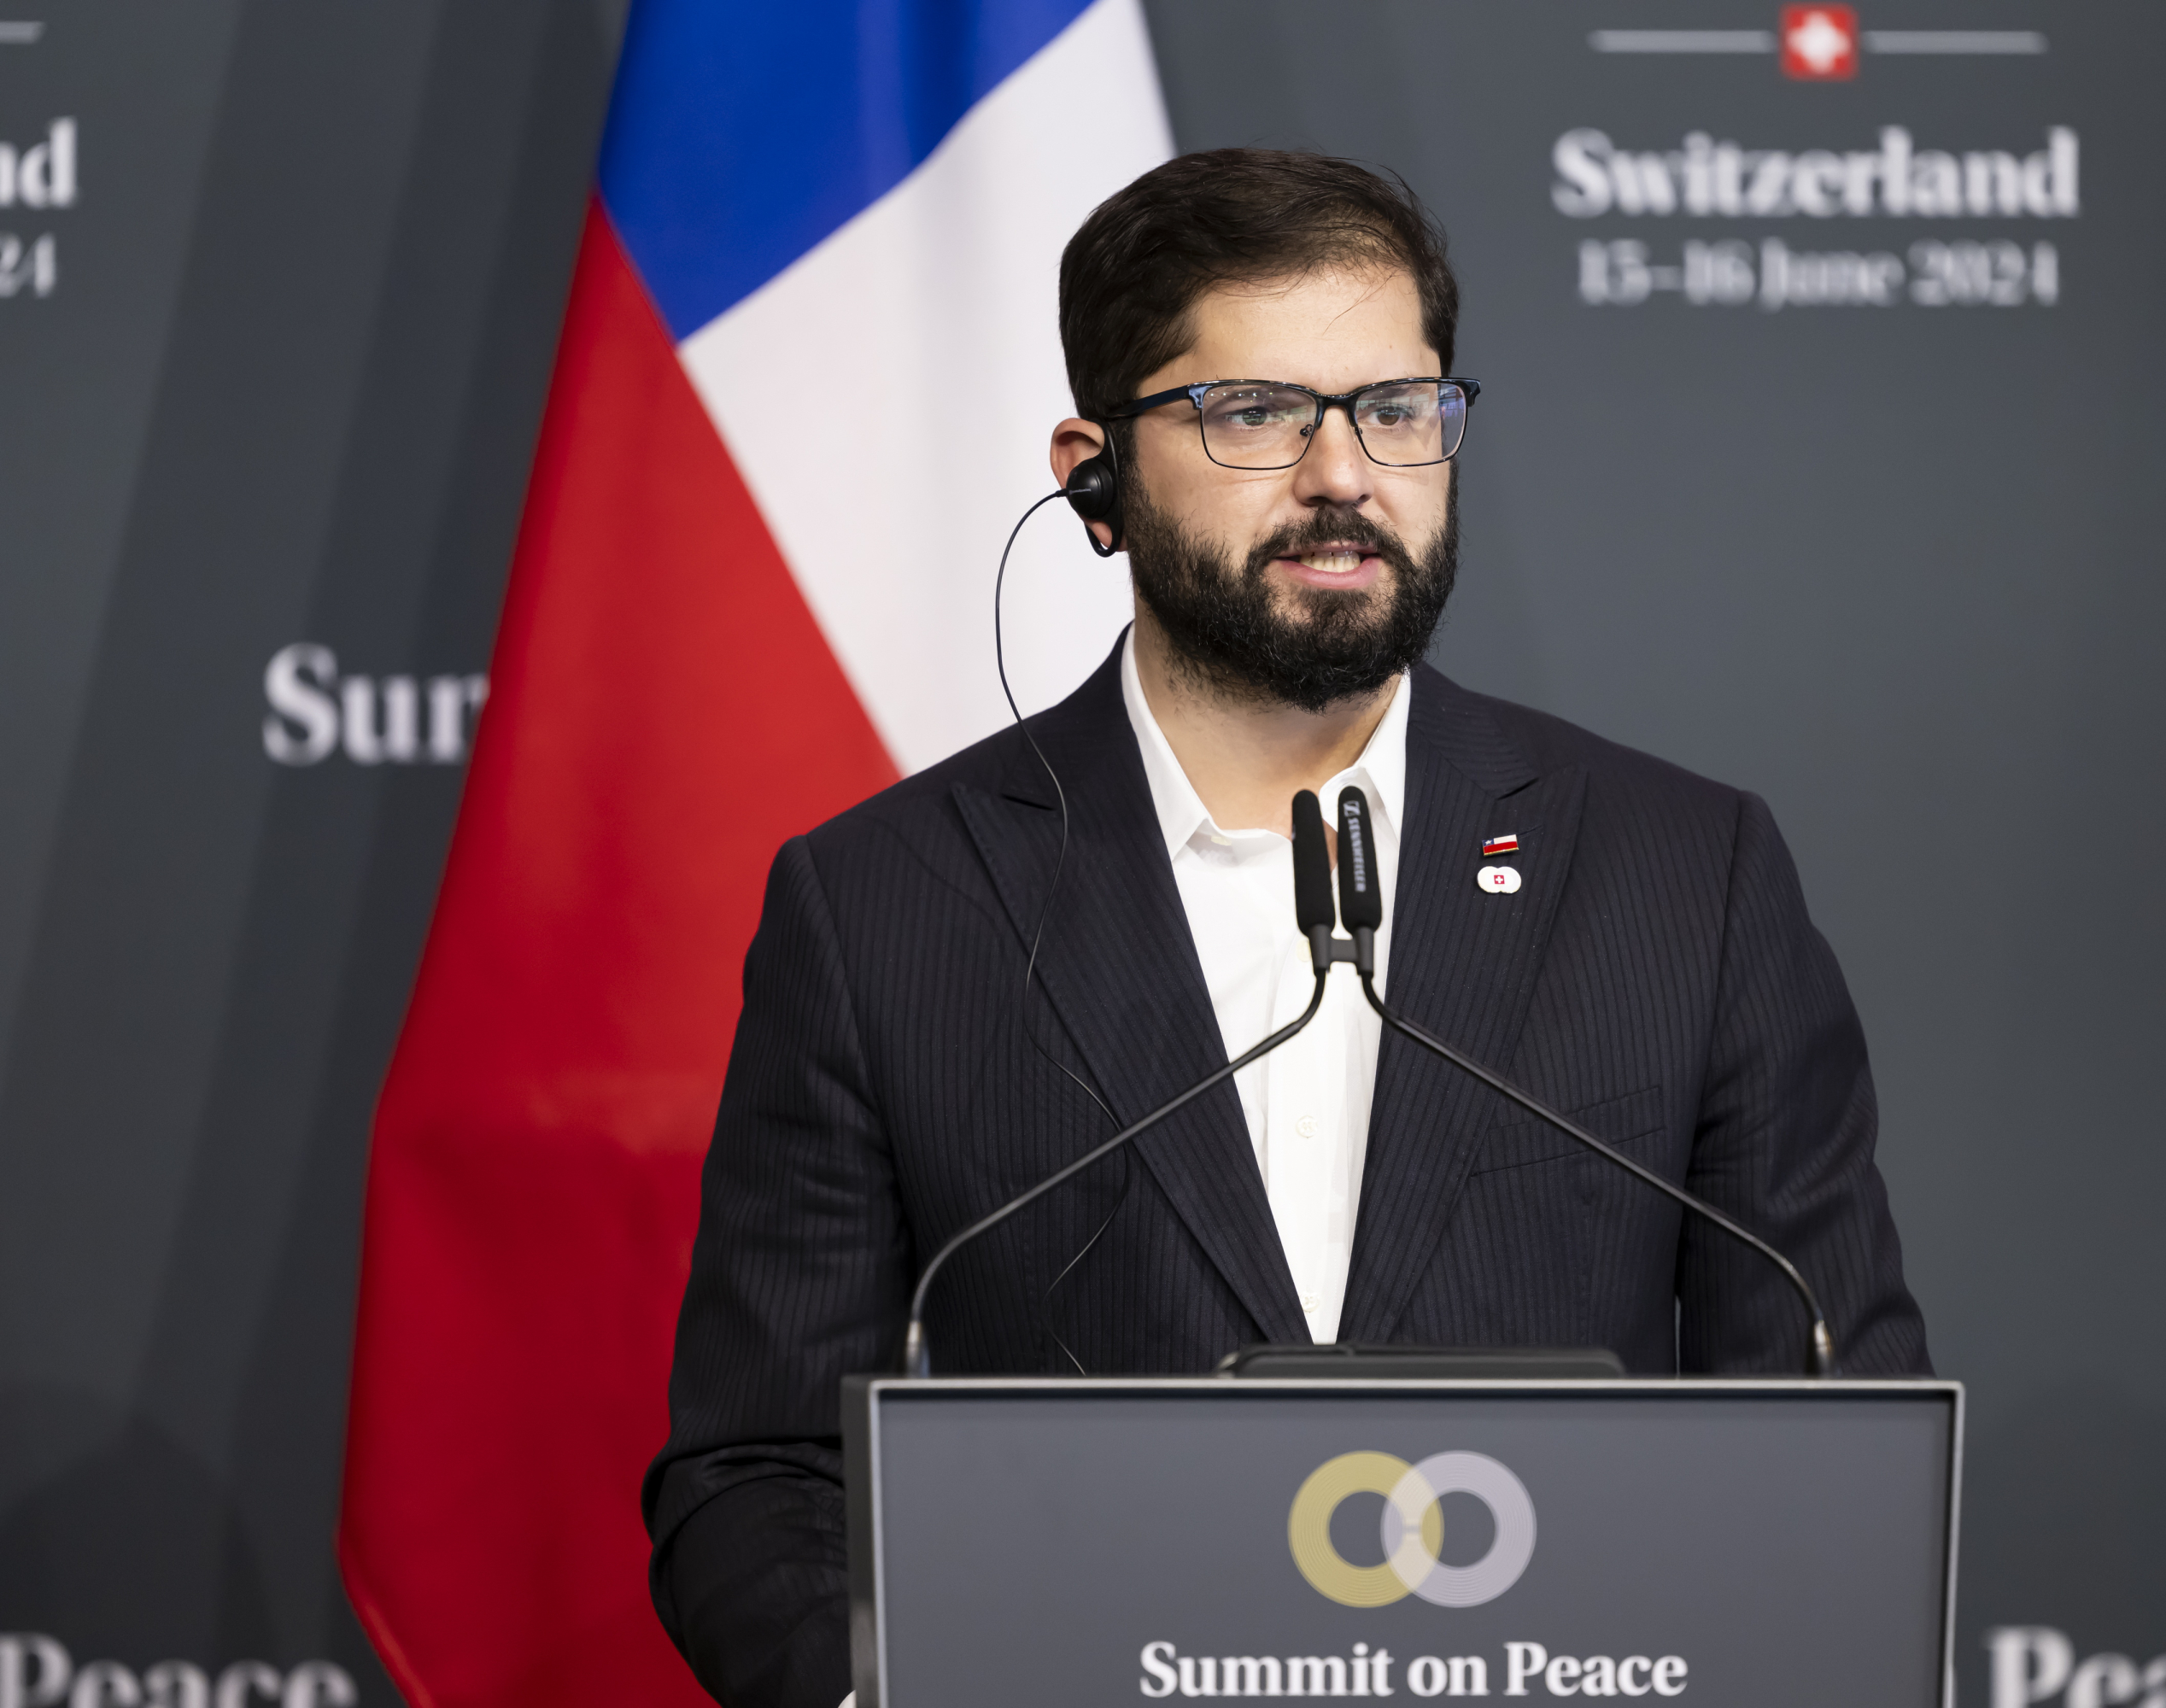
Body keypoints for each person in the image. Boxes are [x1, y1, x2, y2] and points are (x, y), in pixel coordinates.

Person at [643, 149, 1929, 1706]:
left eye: (1396, 409)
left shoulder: (1682, 874)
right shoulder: (885, 907)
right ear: (1091, 475)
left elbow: (1829, 1427)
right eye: (1255, 414)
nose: (1345, 475)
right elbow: (759, 1473)